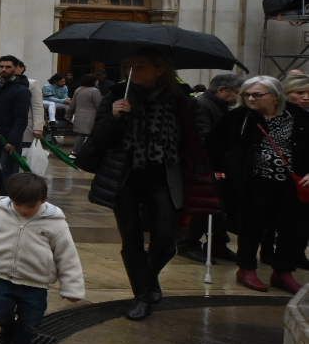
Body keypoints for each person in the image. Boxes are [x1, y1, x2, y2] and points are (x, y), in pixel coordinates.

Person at [77, 52, 219, 321]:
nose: (132, 71)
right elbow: (98, 139)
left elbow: (198, 140)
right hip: (126, 177)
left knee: (166, 239)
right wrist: (115, 116)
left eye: (139, 67)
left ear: (159, 70)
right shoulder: (118, 94)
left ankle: (147, 281)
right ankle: (143, 295)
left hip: (165, 178)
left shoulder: (182, 101)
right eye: (127, 66)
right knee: (131, 239)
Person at [0, 172, 85, 344]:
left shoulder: (55, 222)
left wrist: (72, 288)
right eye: (18, 204)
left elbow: (67, 255)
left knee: (31, 322)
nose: (23, 210)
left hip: (36, 284)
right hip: (2, 277)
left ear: (42, 200)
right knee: (1, 312)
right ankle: (8, 331)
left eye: (30, 206)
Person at [212, 76, 306, 293]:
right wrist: (224, 173)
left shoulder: (297, 116)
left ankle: (283, 272)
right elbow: (215, 145)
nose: (250, 99)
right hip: (253, 183)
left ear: (275, 96)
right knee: (251, 227)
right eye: (246, 94)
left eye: (257, 94)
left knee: (291, 229)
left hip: (292, 183)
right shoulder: (239, 117)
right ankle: (246, 269)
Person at [180, 72, 241, 262]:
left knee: (218, 206)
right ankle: (188, 243)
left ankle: (218, 244)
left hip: (216, 163)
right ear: (223, 90)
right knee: (202, 205)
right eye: (237, 93)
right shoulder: (203, 105)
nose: (239, 97)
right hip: (203, 166)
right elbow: (203, 136)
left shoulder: (220, 106)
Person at [0, 56, 33, 195]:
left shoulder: (21, 90)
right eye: (1, 66)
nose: (3, 69)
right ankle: (3, 195)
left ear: (15, 68)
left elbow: (21, 118)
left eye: (8, 67)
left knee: (8, 170)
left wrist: (13, 141)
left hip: (9, 138)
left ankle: (9, 198)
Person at [67, 74, 103, 149]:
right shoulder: (95, 91)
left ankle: (75, 152)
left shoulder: (78, 89)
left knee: (80, 136)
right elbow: (99, 105)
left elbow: (72, 105)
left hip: (79, 116)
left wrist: (69, 116)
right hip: (91, 118)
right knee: (89, 137)